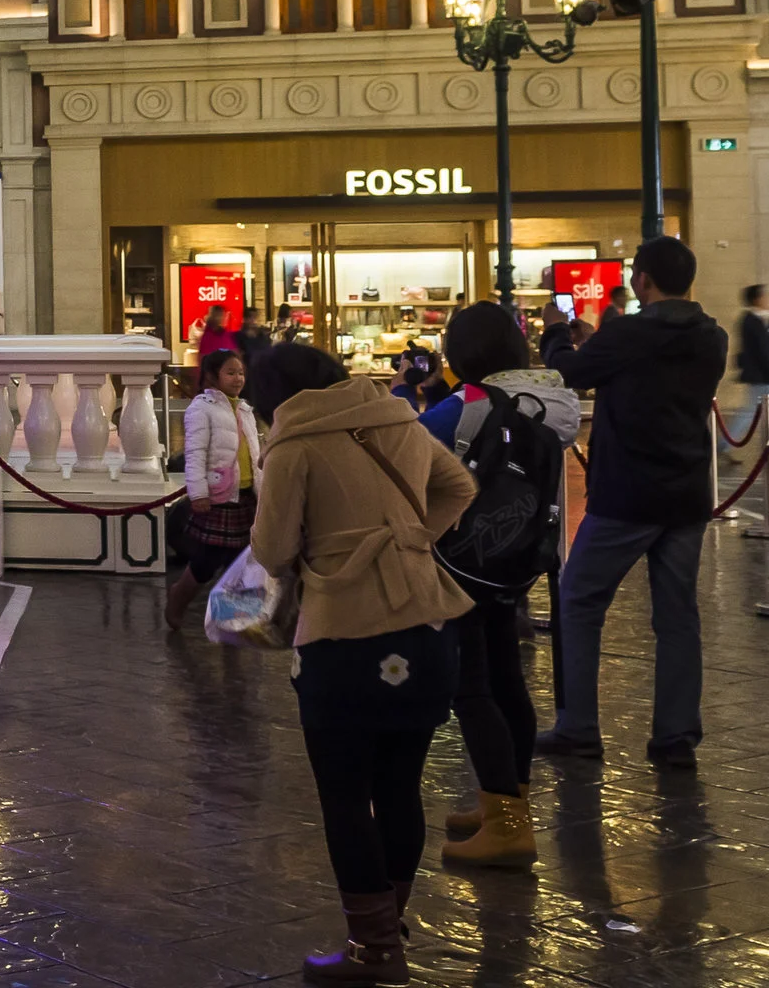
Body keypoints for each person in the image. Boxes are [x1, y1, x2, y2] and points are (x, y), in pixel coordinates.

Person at [249, 343, 478, 982]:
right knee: (399, 785)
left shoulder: (293, 444)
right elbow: (458, 484)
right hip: (427, 625)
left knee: (345, 796)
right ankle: (387, 932)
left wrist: (341, 552)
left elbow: (271, 550)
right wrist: (408, 539)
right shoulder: (398, 418)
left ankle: (375, 950)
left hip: (343, 636)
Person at [535, 237, 727, 769]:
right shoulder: (713, 336)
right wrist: (599, 343)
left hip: (628, 493)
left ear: (642, 280)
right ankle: (676, 735)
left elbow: (566, 373)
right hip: (687, 492)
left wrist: (556, 331)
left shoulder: (632, 333)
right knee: (677, 614)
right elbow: (645, 373)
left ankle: (578, 726)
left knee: (579, 599)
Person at [414, 303, 583, 868]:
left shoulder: (465, 406)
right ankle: (508, 805)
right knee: (507, 676)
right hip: (517, 556)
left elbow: (409, 456)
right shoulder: (554, 402)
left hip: (462, 560)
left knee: (472, 688)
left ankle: (509, 827)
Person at [162, 347, 261, 630]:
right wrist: (199, 493)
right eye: (230, 372)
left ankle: (233, 621)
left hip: (245, 497)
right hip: (218, 497)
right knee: (207, 560)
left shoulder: (244, 408)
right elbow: (195, 453)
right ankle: (179, 596)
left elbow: (253, 452)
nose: (238, 378)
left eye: (240, 372)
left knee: (243, 560)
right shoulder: (201, 408)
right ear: (212, 376)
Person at [732, 283, 769, 441]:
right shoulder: (754, 321)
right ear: (756, 299)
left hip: (760, 373)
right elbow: (763, 352)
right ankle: (724, 444)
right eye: (763, 297)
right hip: (761, 374)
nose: (767, 300)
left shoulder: (752, 320)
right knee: (750, 412)